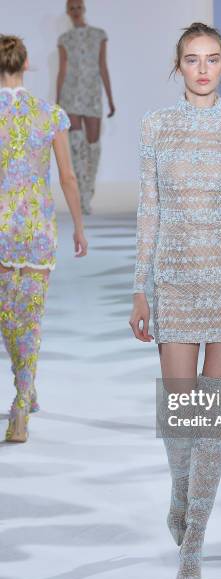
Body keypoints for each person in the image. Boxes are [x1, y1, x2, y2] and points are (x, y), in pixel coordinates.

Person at [129, 23, 221, 579]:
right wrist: (141, 287)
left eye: (213, 59)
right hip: (175, 282)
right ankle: (180, 496)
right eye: (193, 59)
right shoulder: (157, 125)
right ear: (178, 66)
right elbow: (149, 209)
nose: (204, 69)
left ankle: (194, 543)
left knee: (212, 421)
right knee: (180, 415)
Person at [0, 35, 88, 443]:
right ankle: (22, 397)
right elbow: (68, 177)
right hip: (36, 225)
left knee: (7, 313)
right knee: (30, 314)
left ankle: (24, 385)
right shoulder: (48, 113)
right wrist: (79, 226)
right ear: (27, 63)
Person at [56, 0, 115, 214]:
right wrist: (57, 102)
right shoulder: (65, 39)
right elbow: (62, 71)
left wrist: (110, 98)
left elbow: (103, 67)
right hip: (71, 94)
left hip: (91, 94)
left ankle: (88, 190)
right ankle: (81, 196)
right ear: (67, 12)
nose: (75, 11)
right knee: (76, 144)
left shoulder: (99, 34)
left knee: (93, 145)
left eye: (78, 7)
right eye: (71, 8)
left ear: (84, 9)